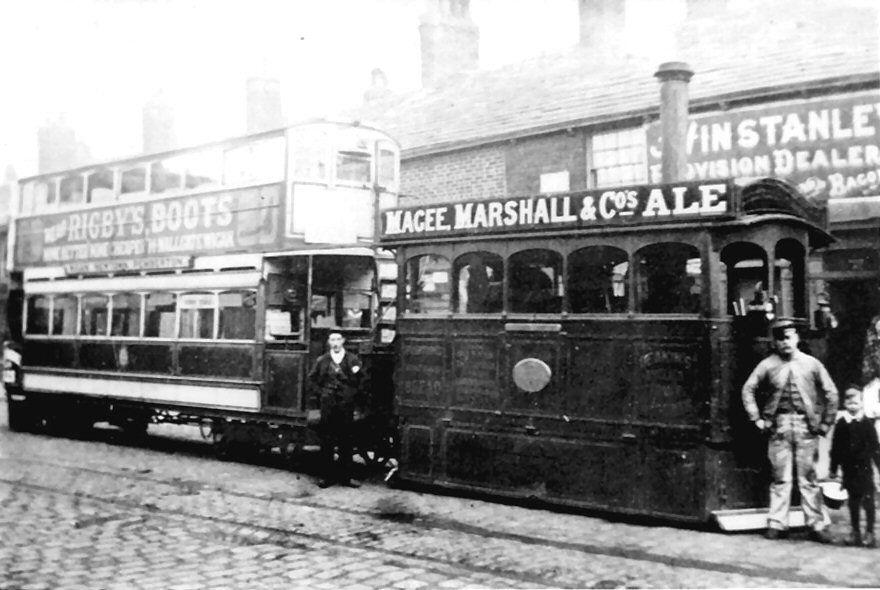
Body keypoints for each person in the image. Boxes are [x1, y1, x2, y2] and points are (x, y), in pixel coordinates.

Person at [741, 318, 839, 542]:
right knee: (780, 477)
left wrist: (825, 423)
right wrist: (756, 417)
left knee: (808, 478)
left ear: (797, 338)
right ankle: (777, 523)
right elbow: (748, 389)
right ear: (774, 342)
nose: (785, 342)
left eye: (789, 337)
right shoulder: (767, 365)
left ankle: (816, 524)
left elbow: (831, 393)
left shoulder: (812, 364)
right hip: (779, 427)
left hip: (806, 427)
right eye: (779, 338)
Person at [308, 331, 364, 488]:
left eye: (338, 339)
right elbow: (312, 379)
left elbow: (361, 380)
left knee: (346, 440)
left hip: (346, 406)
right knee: (327, 441)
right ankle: (327, 477)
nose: (336, 342)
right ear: (328, 342)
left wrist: (351, 394)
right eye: (332, 339)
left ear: (343, 341)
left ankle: (346, 478)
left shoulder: (352, 359)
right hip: (328, 405)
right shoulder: (322, 360)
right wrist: (322, 394)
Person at [829, 386, 880, 547]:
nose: (852, 406)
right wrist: (833, 468)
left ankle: (870, 532)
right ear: (844, 404)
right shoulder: (841, 424)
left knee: (868, 500)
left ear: (862, 404)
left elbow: (875, 448)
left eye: (856, 403)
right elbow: (835, 448)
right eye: (849, 403)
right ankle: (855, 531)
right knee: (853, 501)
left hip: (864, 470)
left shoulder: (867, 424)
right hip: (848, 470)